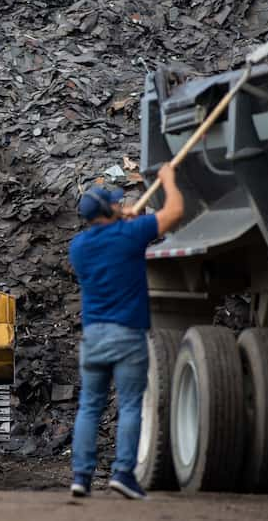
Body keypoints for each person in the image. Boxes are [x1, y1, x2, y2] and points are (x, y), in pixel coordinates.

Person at [67, 162, 184, 499]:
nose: (121, 204)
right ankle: (123, 474)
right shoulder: (130, 234)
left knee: (90, 405)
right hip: (127, 334)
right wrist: (168, 180)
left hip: (93, 336)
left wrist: (124, 217)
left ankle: (81, 477)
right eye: (116, 202)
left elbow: (111, 236)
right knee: (131, 405)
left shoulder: (79, 247)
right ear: (107, 209)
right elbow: (174, 212)